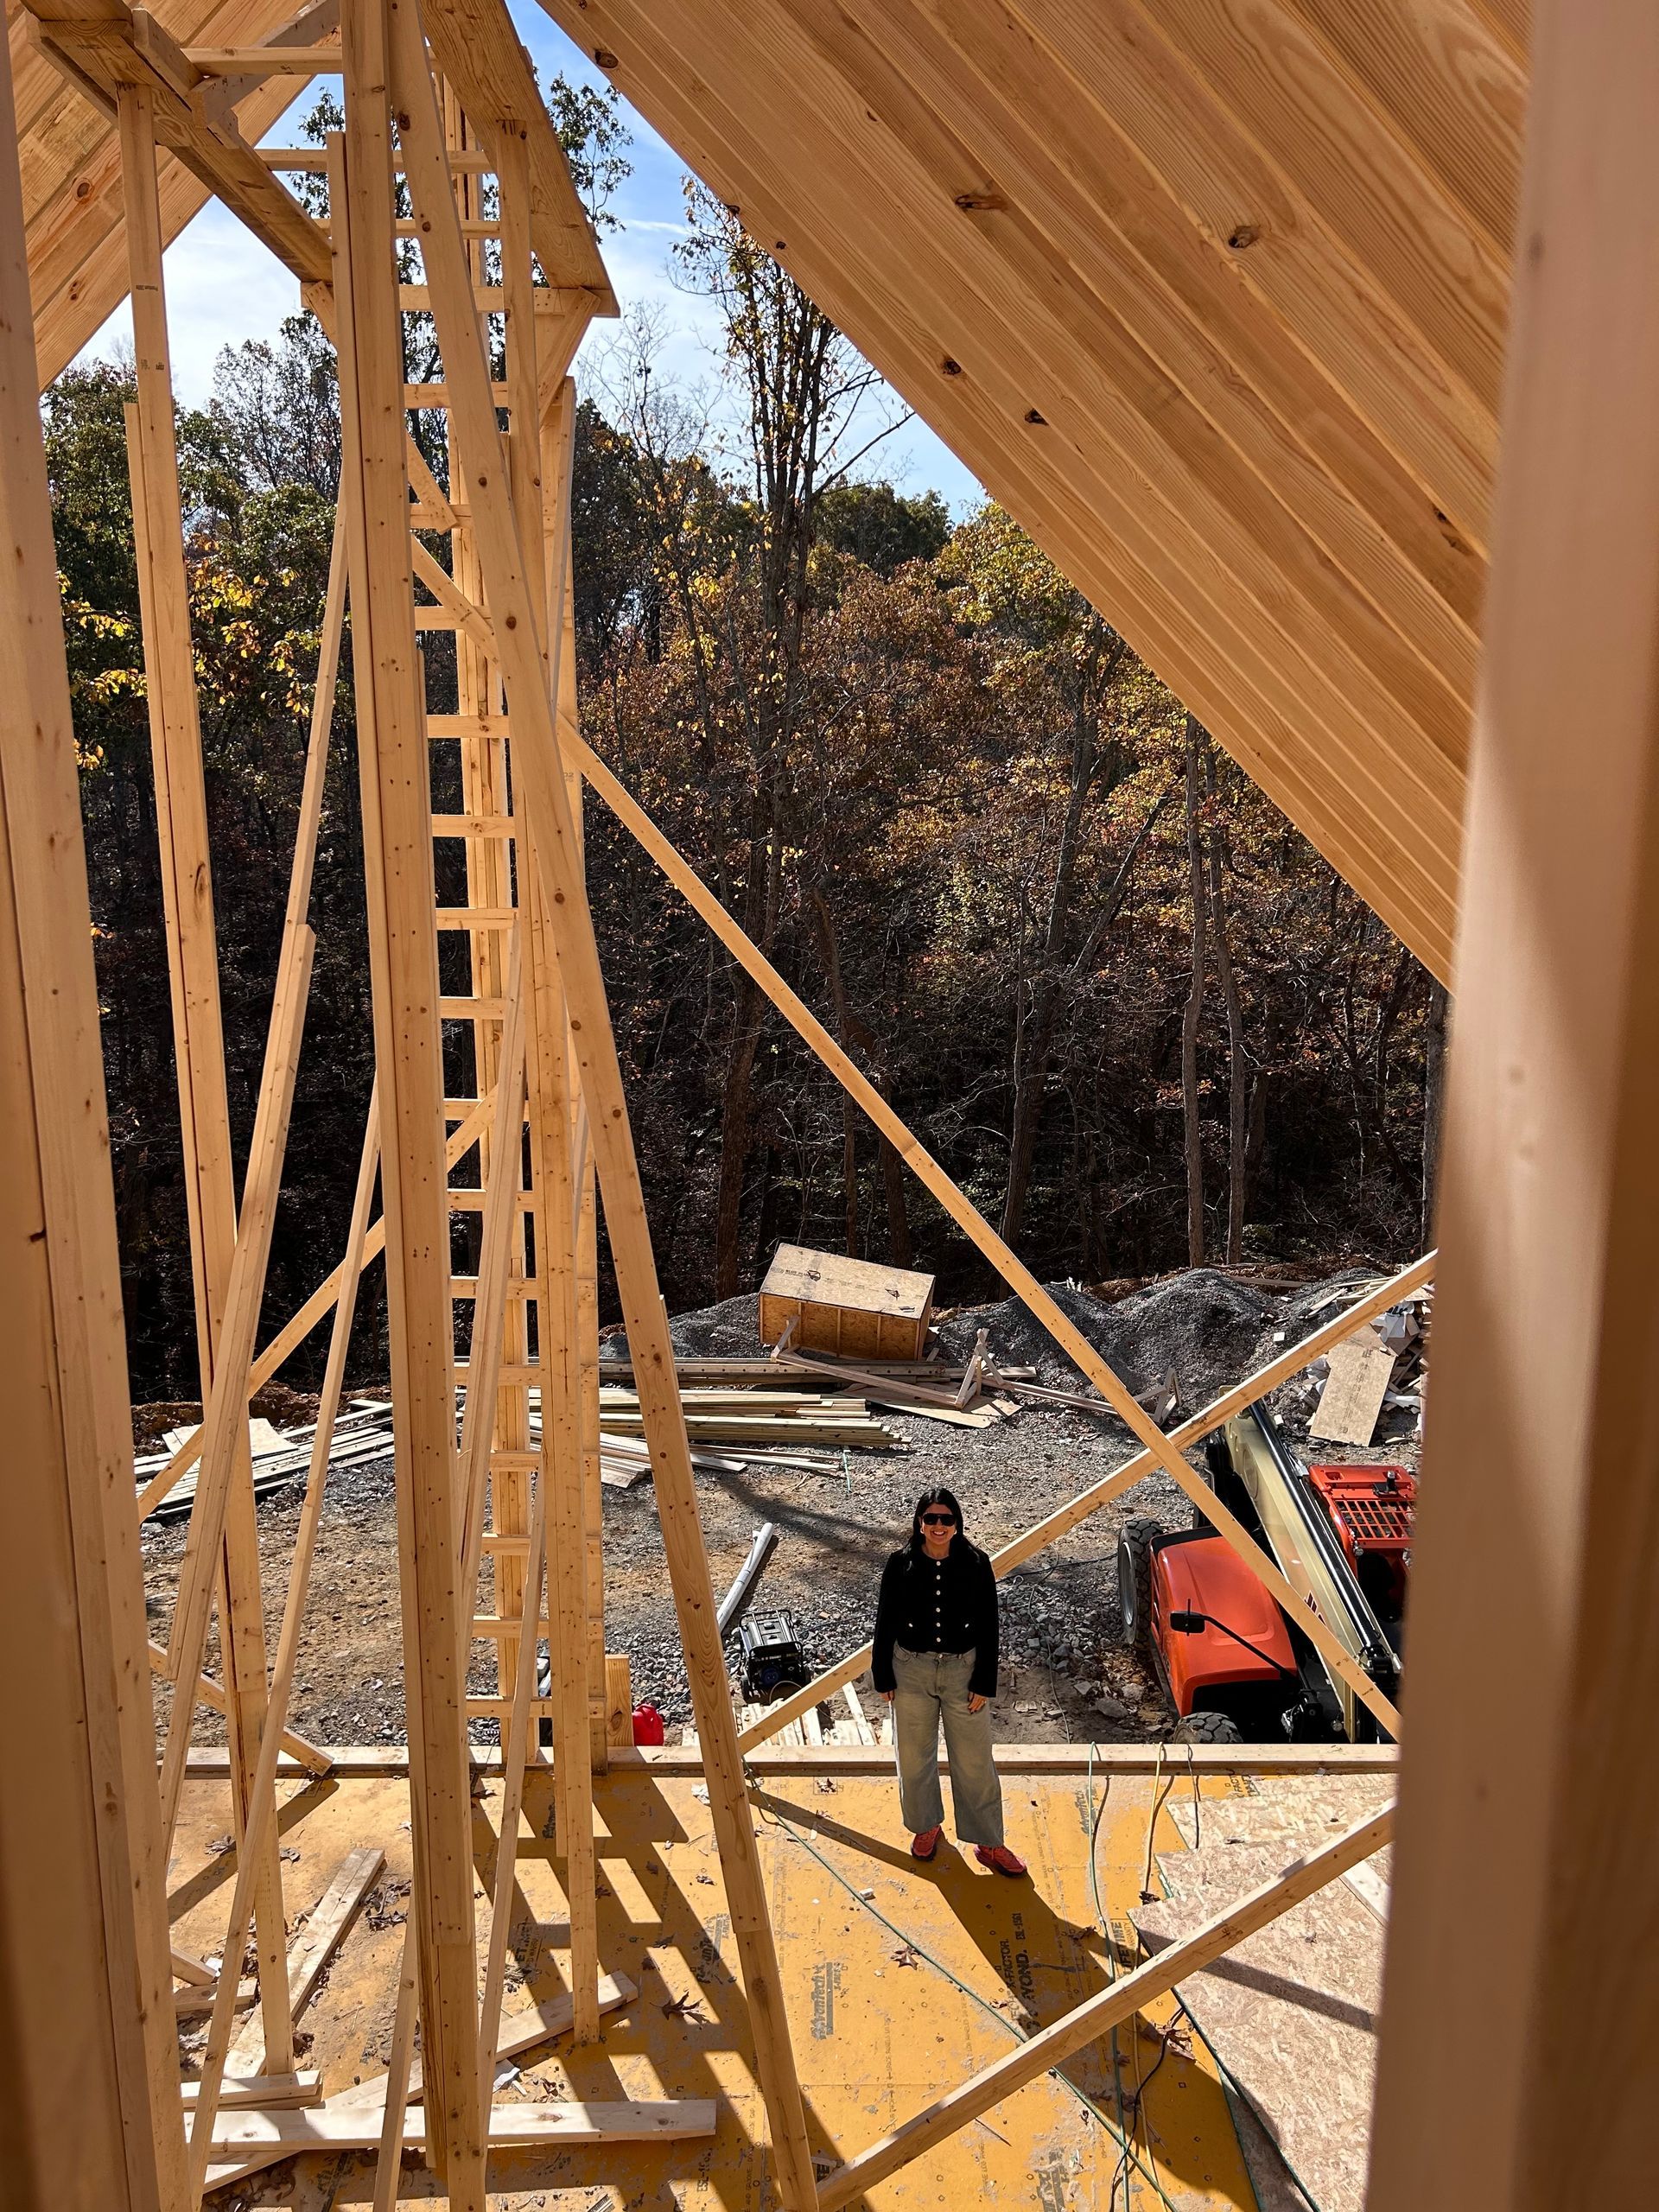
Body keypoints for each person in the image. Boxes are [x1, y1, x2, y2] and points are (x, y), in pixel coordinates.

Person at [871, 1486, 1027, 1875]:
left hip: (963, 1672)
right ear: (920, 1523)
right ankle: (926, 1827)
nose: (939, 1526)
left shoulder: (976, 1563)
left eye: (946, 1519)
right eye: (931, 1519)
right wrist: (883, 1673)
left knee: (975, 1760)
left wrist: (984, 1681)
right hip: (911, 1671)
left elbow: (990, 1624)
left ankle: (989, 1842)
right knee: (913, 1756)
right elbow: (885, 1620)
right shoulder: (899, 1563)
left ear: (957, 1525)